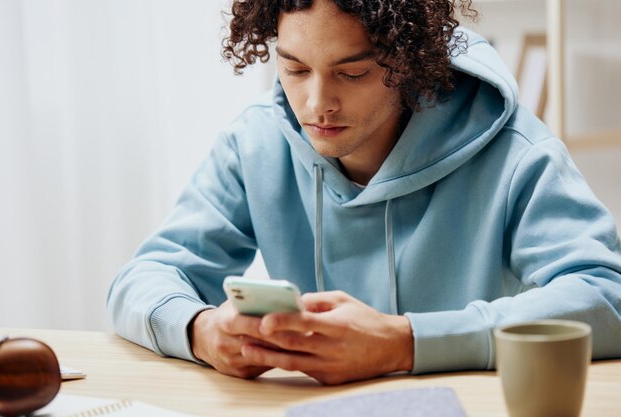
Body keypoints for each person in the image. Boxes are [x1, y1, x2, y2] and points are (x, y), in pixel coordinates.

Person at [107, 0, 621, 385]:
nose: (316, 103)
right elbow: (144, 278)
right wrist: (199, 330)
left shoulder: (517, 152)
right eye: (294, 68)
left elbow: (606, 294)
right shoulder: (255, 143)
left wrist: (406, 342)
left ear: (407, 61)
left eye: (352, 73)